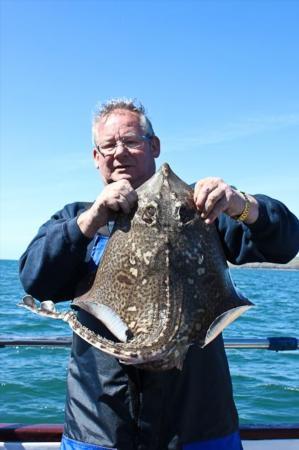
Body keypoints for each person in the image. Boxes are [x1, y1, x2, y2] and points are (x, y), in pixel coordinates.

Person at [19, 99, 299, 450]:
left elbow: (286, 243)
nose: (119, 152)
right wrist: (89, 221)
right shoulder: (79, 218)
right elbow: (34, 279)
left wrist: (241, 204)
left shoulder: (197, 208)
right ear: (96, 158)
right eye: (109, 145)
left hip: (197, 427)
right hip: (100, 429)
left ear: (154, 146)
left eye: (131, 141)